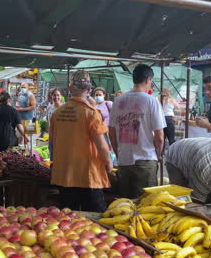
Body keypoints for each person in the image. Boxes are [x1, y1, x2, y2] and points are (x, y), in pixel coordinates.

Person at [49, 70, 112, 212]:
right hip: (87, 176)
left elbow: (51, 143)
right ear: (89, 90)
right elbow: (101, 146)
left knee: (68, 222)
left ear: (70, 89)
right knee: (94, 221)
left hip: (64, 176)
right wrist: (108, 163)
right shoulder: (91, 113)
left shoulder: (57, 113)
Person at [109, 64, 166, 199]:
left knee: (124, 206)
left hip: (124, 162)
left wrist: (118, 153)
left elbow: (111, 132)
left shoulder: (118, 100)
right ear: (148, 80)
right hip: (145, 161)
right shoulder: (151, 101)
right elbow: (159, 137)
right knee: (143, 206)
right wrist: (158, 155)